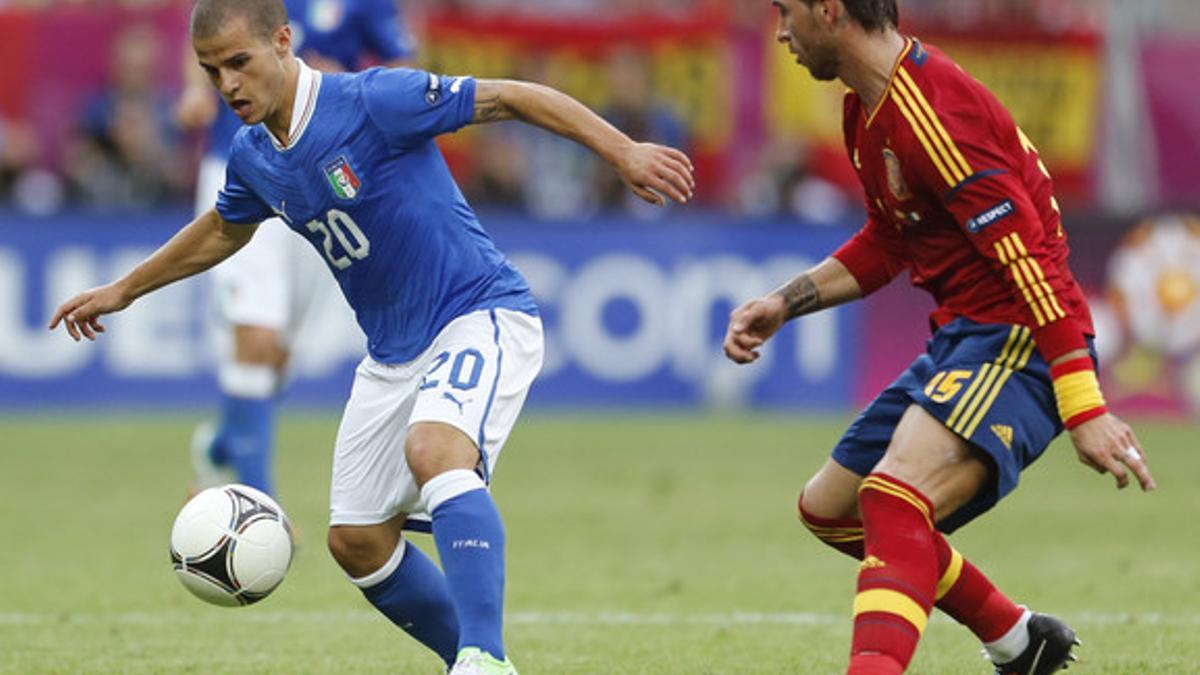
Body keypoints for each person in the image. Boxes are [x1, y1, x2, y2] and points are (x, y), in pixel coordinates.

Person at [51, 1, 694, 673]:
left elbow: (509, 97)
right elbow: (222, 229)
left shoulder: (375, 99)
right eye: (213, 72)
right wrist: (123, 290)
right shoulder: (253, 155)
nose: (229, 85)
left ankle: (483, 656)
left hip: (479, 311)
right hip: (392, 355)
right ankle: (476, 662)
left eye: (240, 62)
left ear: (282, 41)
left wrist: (623, 149)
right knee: (357, 539)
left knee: (434, 447)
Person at [723, 2, 1156, 674]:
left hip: (1020, 339)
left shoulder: (936, 111)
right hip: (964, 337)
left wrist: (1083, 403)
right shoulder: (865, 111)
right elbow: (890, 241)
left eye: (787, 10)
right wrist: (787, 300)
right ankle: (1018, 639)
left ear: (831, 10)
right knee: (833, 508)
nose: (779, 31)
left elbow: (1032, 264)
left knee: (895, 495)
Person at [173, 0, 417, 498]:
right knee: (257, 338)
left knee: (279, 353)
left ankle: (221, 444)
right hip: (242, 170)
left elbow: (402, 68)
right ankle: (258, 503)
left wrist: (342, 78)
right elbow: (204, 35)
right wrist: (195, 89)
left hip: (321, 177)